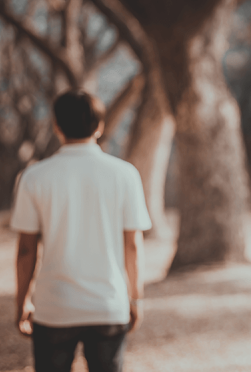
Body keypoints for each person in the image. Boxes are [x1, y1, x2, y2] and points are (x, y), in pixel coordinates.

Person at [11, 89, 152, 372]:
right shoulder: (125, 174)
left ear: (56, 126)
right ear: (99, 127)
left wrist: (22, 300)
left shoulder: (34, 177)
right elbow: (133, 246)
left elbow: (27, 249)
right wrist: (134, 298)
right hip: (108, 305)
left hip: (53, 308)